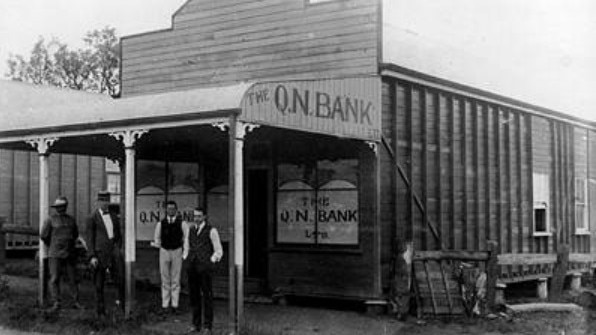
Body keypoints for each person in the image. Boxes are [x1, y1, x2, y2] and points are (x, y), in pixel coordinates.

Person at [184, 208, 223, 334]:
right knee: (194, 296)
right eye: (195, 216)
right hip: (192, 267)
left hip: (205, 268)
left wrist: (211, 261)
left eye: (199, 216)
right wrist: (186, 258)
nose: (197, 219)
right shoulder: (190, 230)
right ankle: (195, 324)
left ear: (204, 217)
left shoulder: (211, 231)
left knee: (207, 296)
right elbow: (187, 247)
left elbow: (218, 251)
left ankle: (207, 326)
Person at [85, 190, 124, 317]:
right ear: (98, 202)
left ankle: (120, 307)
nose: (104, 203)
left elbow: (118, 235)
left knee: (119, 280)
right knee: (99, 284)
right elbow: (90, 239)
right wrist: (92, 256)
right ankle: (100, 311)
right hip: (99, 255)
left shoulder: (113, 216)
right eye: (102, 201)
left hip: (113, 253)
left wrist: (117, 249)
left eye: (106, 201)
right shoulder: (92, 218)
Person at [40, 196, 82, 311]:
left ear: (66, 207)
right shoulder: (50, 220)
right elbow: (44, 236)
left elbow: (75, 234)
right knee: (54, 278)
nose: (60, 209)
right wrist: (53, 245)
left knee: (72, 278)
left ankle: (75, 301)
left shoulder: (71, 220)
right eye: (58, 207)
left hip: (69, 253)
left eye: (62, 207)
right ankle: (56, 302)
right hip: (55, 254)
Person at [153, 200, 186, 315]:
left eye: (173, 209)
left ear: (176, 210)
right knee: (165, 278)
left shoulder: (182, 223)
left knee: (176, 279)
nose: (171, 210)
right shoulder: (160, 224)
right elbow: (157, 238)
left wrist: (184, 252)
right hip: (164, 251)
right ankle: (165, 305)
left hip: (177, 251)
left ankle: (175, 305)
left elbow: (185, 239)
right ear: (166, 210)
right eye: (169, 208)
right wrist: (158, 245)